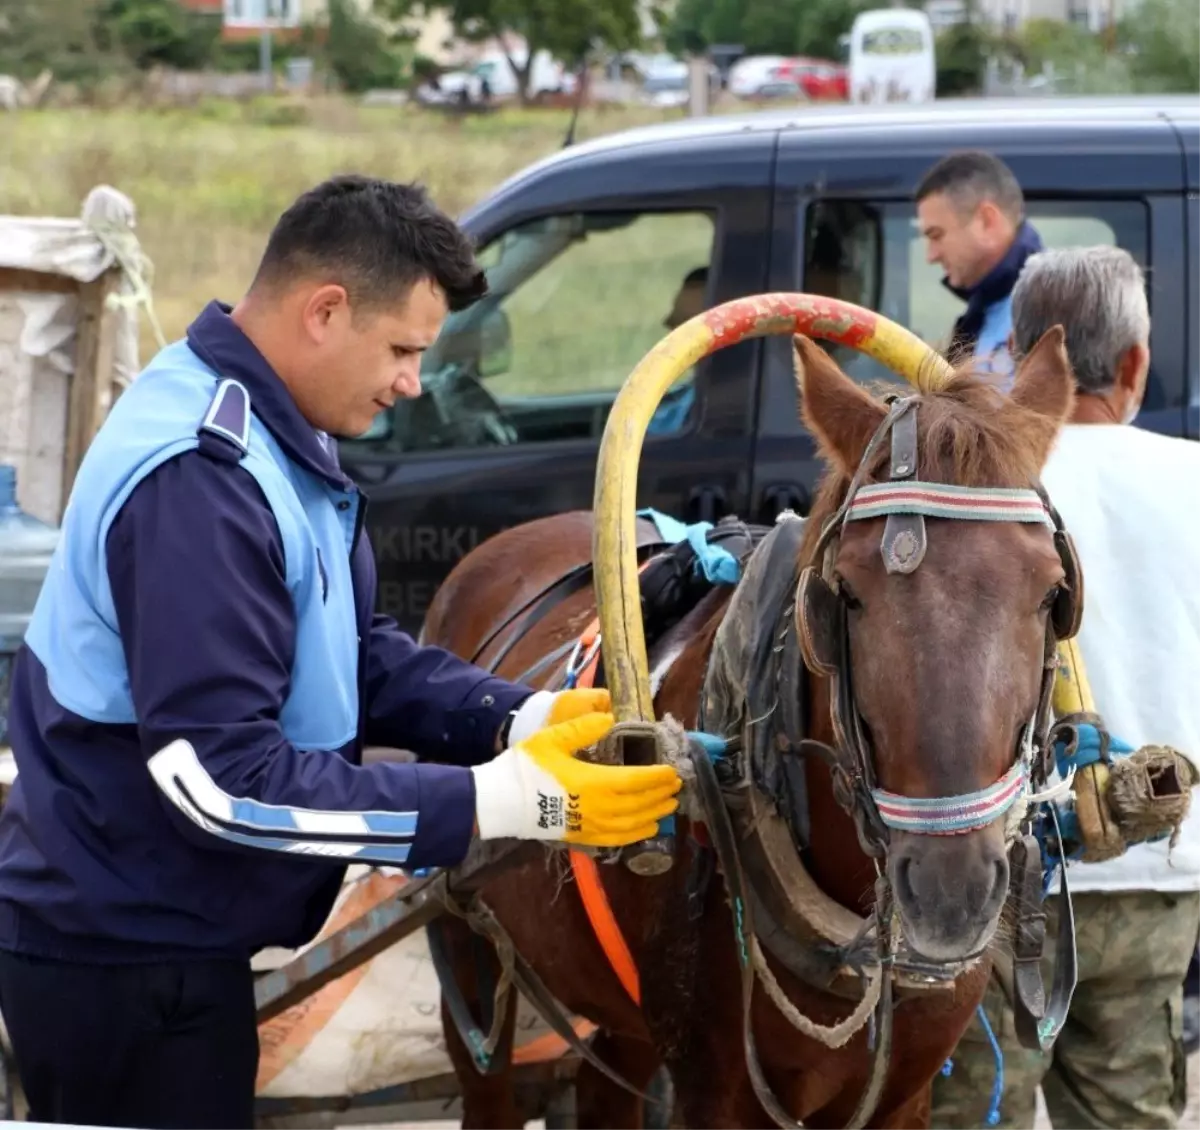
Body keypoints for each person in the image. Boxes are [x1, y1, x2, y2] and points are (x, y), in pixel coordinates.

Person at [0, 175, 682, 1129]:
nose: (413, 382)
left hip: (171, 930)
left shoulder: (267, 426)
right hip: (124, 962)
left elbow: (347, 649)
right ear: (326, 310)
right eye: (403, 349)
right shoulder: (202, 477)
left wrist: (518, 714)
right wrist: (508, 801)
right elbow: (219, 781)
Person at [928, 245, 1200, 1130]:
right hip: (1156, 873)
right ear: (1134, 363)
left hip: (983, 881)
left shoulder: (969, 488)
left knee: (966, 1108)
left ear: (1014, 354)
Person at [915, 149, 1044, 388]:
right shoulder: (988, 309)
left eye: (936, 235)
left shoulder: (1050, 312)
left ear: (987, 220)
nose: (930, 256)